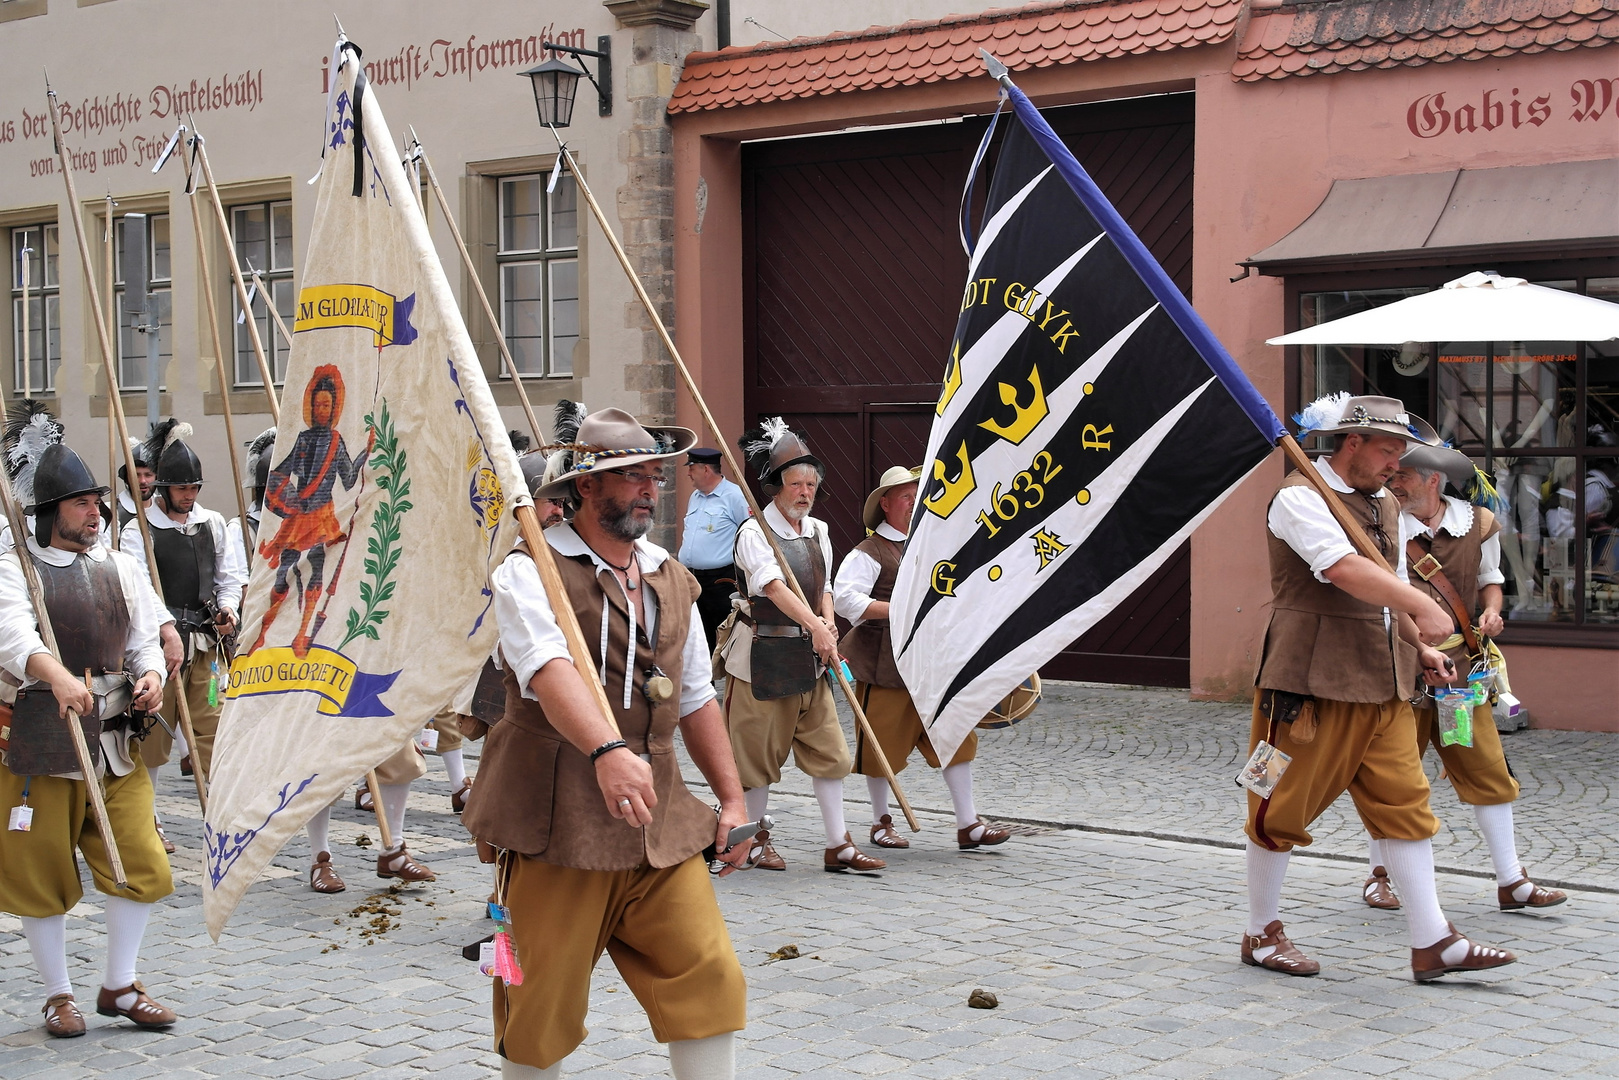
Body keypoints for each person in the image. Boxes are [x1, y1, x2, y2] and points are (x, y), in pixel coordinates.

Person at [462, 404, 750, 1079]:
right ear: (586, 487)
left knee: (709, 978)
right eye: (634, 477)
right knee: (537, 1004)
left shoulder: (670, 577)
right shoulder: (529, 569)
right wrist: (606, 751)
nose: (651, 489)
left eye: (655, 476)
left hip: (660, 823)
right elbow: (546, 670)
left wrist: (732, 801)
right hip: (557, 819)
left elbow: (695, 695)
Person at [1246, 394, 1517, 981]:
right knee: (1274, 806)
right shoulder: (1299, 496)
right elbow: (1343, 568)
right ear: (1352, 443)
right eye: (1390, 450)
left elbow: (1388, 582)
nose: (1398, 465)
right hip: (1307, 686)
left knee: (1405, 809)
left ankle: (1434, 941)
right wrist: (1423, 606)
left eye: (1401, 453)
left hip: (1386, 681)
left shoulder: (1383, 506)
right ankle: (1261, 934)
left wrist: (1418, 648)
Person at [0, 423, 174, 1037]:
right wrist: (56, 675)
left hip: (115, 738)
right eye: (81, 503)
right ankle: (58, 995)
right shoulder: (13, 565)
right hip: (43, 736)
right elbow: (15, 637)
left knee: (143, 862)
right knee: (41, 872)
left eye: (99, 501)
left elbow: (144, 636)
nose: (96, 512)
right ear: (51, 512)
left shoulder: (121, 566)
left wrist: (150, 674)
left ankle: (119, 986)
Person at [1358, 440, 1566, 913]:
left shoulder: (1478, 523)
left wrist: (1492, 612)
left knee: (1485, 769)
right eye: (1391, 473)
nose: (1393, 480)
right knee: (1394, 776)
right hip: (1401, 673)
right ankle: (1379, 877)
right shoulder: (1380, 524)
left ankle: (1512, 881)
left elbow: (1491, 579)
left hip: (1456, 679)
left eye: (1404, 475)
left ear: (1434, 479)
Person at [717, 418, 884, 873]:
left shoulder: (820, 531)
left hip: (811, 660)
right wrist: (815, 625)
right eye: (795, 483)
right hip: (763, 660)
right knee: (755, 762)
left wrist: (827, 628)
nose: (805, 491)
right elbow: (773, 588)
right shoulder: (754, 534)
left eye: (811, 483)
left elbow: (824, 588)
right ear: (776, 486)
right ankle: (752, 844)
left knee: (831, 754)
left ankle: (838, 844)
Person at [832, 465, 1011, 852]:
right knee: (880, 747)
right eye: (906, 498)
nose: (914, 504)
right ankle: (880, 823)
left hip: (933, 664)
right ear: (885, 504)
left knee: (956, 736)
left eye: (917, 497)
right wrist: (900, 609)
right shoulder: (867, 553)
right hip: (886, 663)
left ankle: (969, 824)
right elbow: (847, 601)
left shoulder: (932, 545)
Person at [121, 419, 242, 789]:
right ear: (164, 488)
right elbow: (139, 589)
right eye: (181, 488)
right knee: (154, 736)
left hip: (206, 646)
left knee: (215, 727)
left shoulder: (213, 523)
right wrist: (167, 629)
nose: (188, 495)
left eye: (193, 487)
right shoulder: (137, 530)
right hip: (162, 651)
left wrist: (229, 609)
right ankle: (151, 817)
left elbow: (228, 578)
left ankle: (220, 813)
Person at [248, 365, 371, 656]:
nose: (321, 410)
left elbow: (349, 479)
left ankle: (302, 636)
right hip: (298, 517)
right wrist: (290, 500)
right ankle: (262, 635)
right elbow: (278, 474)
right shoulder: (302, 439)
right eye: (317, 405)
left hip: (322, 518)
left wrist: (367, 451)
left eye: (326, 405)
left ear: (334, 407)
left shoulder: (337, 441)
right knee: (283, 576)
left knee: (317, 574)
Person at [677, 448, 750, 653]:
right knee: (698, 637)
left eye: (691, 468)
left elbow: (749, 535)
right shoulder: (695, 497)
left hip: (721, 581)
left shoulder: (734, 496)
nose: (688, 473)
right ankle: (704, 683)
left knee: (730, 638)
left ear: (706, 469)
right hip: (693, 579)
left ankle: (733, 684)